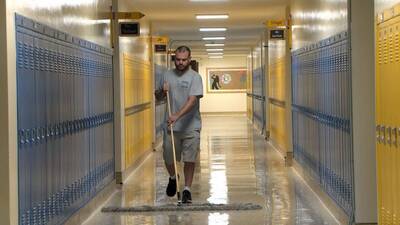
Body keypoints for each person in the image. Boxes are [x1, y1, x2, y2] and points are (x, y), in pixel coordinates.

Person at [155, 46, 203, 203]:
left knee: (189, 159)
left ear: (189, 60)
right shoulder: (166, 75)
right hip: (171, 127)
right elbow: (158, 96)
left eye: (184, 60)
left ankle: (187, 190)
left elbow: (193, 100)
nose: (181, 62)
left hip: (191, 126)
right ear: (174, 59)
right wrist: (162, 90)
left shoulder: (195, 77)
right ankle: (173, 177)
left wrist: (177, 115)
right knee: (168, 157)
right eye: (178, 59)